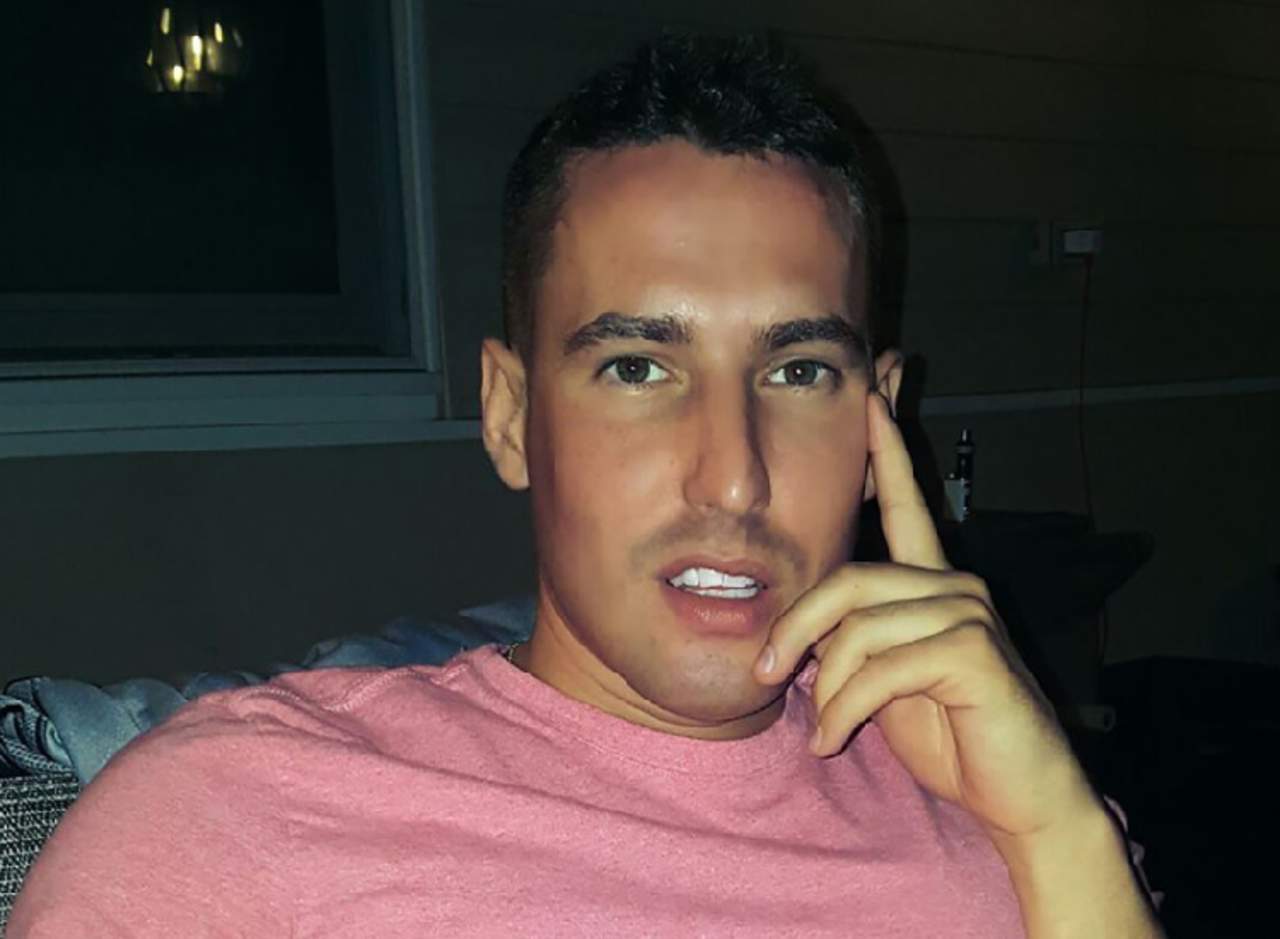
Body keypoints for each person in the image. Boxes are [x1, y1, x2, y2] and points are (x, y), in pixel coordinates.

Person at [10, 34, 1162, 937]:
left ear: (879, 422)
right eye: (637, 368)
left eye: (798, 370)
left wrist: (1055, 829)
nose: (733, 477)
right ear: (511, 416)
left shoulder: (995, 791)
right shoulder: (235, 815)